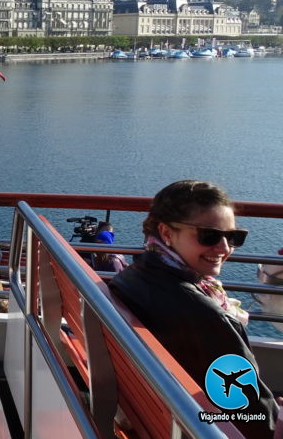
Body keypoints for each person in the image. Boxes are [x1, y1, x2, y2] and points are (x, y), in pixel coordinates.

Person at [110, 180, 278, 438]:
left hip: (156, 413)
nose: (224, 248)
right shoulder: (205, 315)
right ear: (166, 233)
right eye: (209, 235)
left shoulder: (134, 275)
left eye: (234, 237)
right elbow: (252, 418)